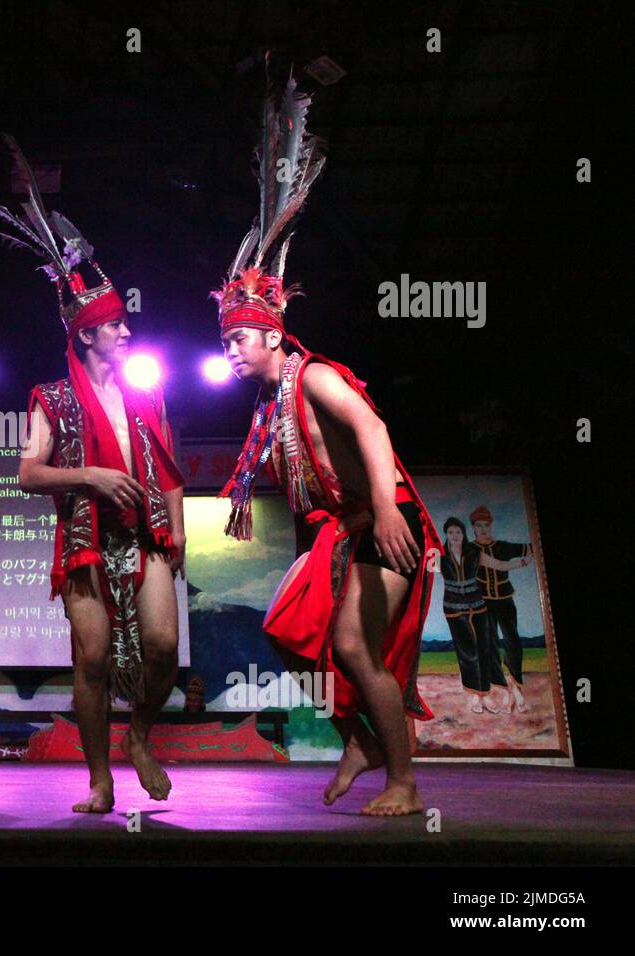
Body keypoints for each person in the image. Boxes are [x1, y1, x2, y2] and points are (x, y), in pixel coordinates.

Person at [0, 139, 186, 813]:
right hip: (85, 539)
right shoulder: (52, 397)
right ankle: (99, 779)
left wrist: (178, 534)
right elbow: (27, 474)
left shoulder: (149, 395)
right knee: (89, 659)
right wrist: (86, 476)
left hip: (146, 537)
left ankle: (139, 735)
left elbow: (168, 467)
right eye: (115, 326)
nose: (126, 333)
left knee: (164, 645)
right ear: (87, 335)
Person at [216, 76, 439, 816]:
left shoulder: (312, 376)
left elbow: (373, 429)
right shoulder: (270, 404)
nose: (232, 352)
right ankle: (361, 738)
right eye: (227, 342)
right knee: (285, 628)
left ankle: (404, 784)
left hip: (385, 517)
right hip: (341, 534)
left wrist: (383, 508)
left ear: (273, 334)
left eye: (239, 338)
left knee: (352, 645)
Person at [438, 517, 508, 713]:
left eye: (458, 532)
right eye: (451, 532)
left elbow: (500, 565)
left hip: (478, 606)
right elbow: (424, 572)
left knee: (484, 648)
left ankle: (485, 695)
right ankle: (473, 695)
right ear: (446, 534)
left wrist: (522, 561)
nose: (454, 536)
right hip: (453, 608)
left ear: (463, 534)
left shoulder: (474, 553)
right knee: (467, 651)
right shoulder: (440, 555)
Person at [469, 505, 535, 713]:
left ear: (491, 525)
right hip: (482, 603)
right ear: (473, 528)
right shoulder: (469, 549)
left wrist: (528, 559)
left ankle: (516, 686)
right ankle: (495, 691)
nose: (483, 529)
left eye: (486, 525)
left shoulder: (503, 546)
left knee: (513, 641)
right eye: (478, 525)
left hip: (505, 600)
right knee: (486, 644)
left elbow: (532, 547)